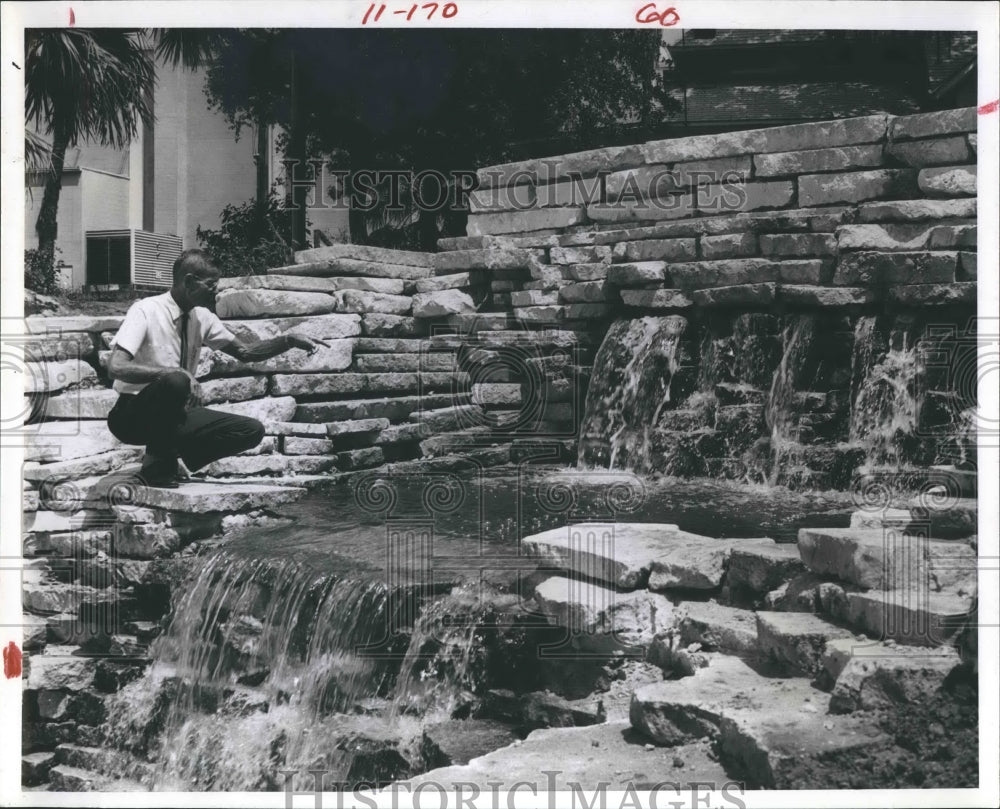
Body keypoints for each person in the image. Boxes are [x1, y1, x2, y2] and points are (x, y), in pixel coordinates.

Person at [106, 248, 328, 487]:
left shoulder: (202, 317)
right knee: (176, 381)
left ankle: (164, 457)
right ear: (189, 282)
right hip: (131, 416)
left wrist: (289, 340)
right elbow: (116, 366)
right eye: (211, 284)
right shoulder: (146, 310)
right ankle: (157, 468)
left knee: (250, 430)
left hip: (172, 417)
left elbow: (246, 352)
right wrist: (174, 372)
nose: (217, 290)